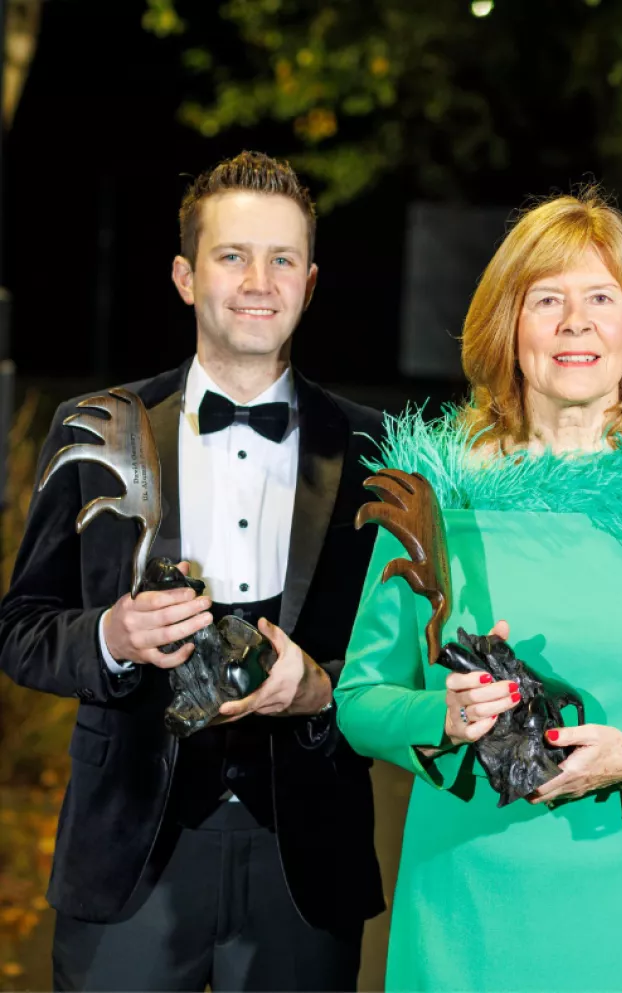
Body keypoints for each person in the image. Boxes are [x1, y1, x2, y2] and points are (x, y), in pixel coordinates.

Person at [335, 189, 622, 992]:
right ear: (509, 329)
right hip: (466, 908)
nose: (574, 322)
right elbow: (359, 697)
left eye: (599, 298)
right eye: (545, 299)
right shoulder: (433, 502)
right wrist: (437, 716)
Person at [0, 151, 385, 991]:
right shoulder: (96, 427)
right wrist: (110, 635)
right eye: (232, 255)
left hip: (306, 857)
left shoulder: (376, 449)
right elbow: (21, 628)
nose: (259, 280)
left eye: (283, 258)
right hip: (128, 853)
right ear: (184, 275)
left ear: (310, 282)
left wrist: (324, 689)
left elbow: (412, 655)